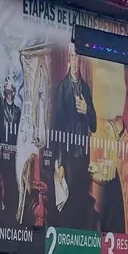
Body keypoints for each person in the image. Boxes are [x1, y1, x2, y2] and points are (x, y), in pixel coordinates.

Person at [51, 40, 97, 228]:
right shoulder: (63, 88)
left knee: (80, 199)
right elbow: (57, 126)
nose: (75, 61)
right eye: (72, 56)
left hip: (82, 156)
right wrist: (59, 162)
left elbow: (93, 125)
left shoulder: (85, 88)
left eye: (78, 56)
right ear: (69, 60)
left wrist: (87, 110)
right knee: (67, 202)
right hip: (67, 155)